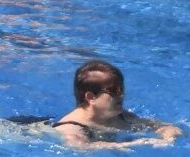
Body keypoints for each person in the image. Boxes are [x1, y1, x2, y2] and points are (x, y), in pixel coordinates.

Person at [52, 60, 181, 147]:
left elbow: (166, 126)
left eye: (122, 90)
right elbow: (81, 148)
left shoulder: (120, 116)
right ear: (91, 97)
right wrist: (136, 143)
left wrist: (168, 137)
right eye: (114, 91)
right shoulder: (71, 127)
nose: (121, 95)